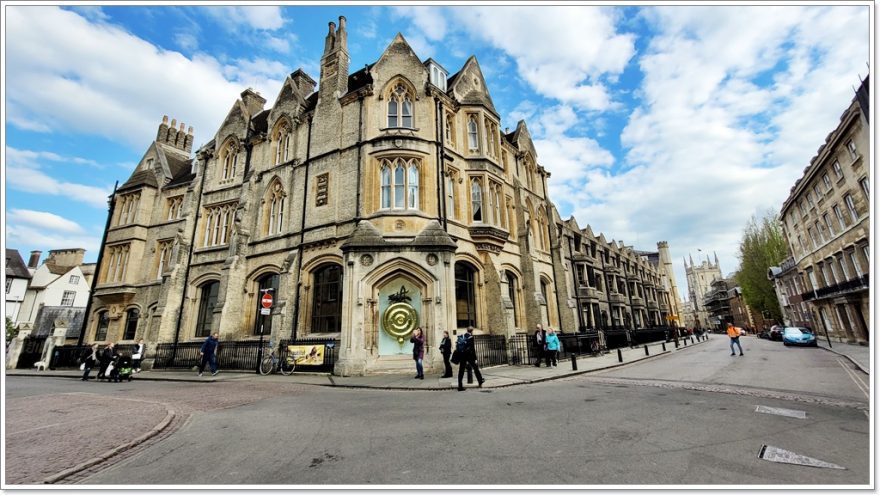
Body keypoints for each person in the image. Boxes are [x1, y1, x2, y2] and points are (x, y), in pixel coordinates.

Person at [457, 327, 484, 391]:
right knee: (475, 368)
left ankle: (460, 386)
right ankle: (480, 381)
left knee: (461, 371)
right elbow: (472, 349)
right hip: (469, 356)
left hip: (462, 356)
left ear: (467, 330)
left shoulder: (462, 336)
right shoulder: (471, 337)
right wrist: (475, 358)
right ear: (472, 331)